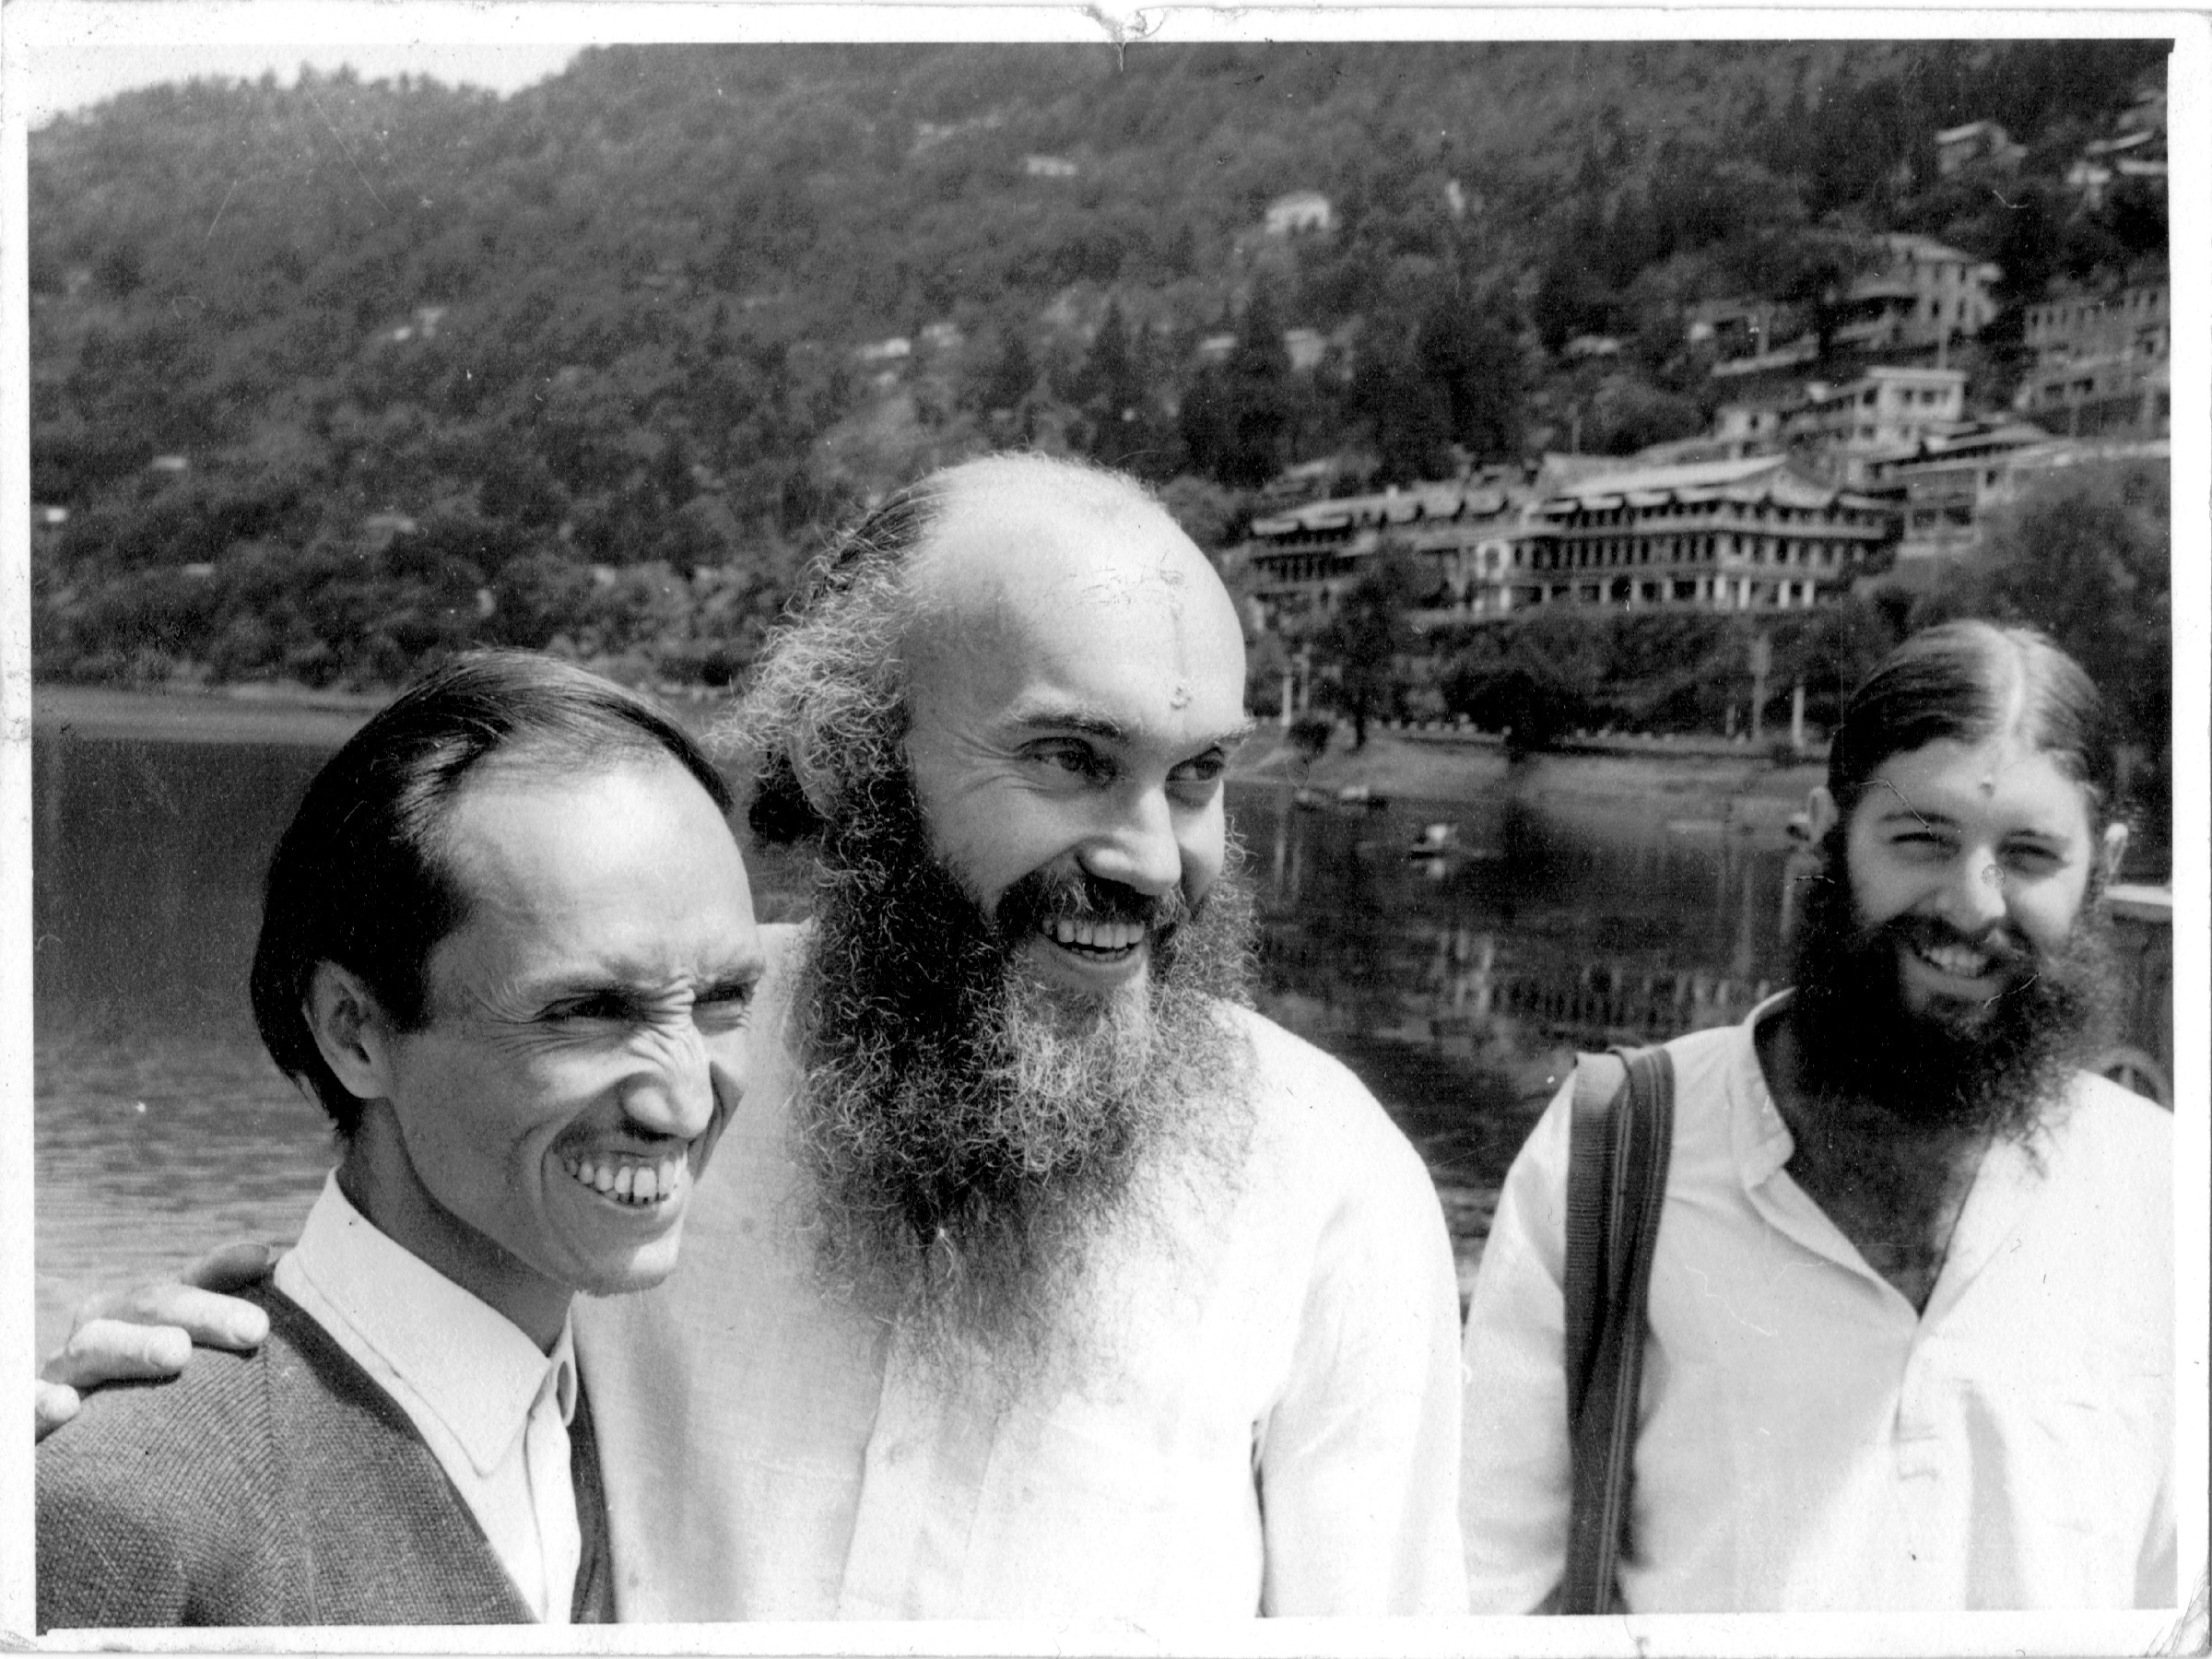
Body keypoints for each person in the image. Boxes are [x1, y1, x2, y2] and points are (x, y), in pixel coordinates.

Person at [40, 453, 1468, 1619]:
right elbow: (378, 1358)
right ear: (857, 753)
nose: (1155, 860)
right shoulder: (652, 1073)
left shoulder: (1323, 1180)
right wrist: (156, 1418)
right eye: (1072, 761)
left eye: (1199, 775)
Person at [1460, 619, 2176, 1612]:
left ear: (2102, 869)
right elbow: (1489, 1585)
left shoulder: (2168, 1195)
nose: (1973, 905)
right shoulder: (1623, 1146)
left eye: (2029, 856)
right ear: (1825, 832)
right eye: (1922, 840)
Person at [35, 653, 761, 1629]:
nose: (682, 1103)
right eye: (588, 1011)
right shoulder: (119, 1506)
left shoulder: (621, 1425)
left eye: (723, 1001)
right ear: (355, 1031)